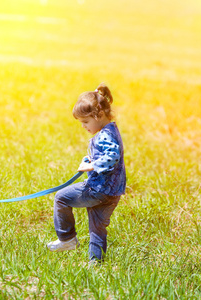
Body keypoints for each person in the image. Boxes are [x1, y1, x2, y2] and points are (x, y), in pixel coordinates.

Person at [47, 83, 126, 264]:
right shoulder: (111, 130)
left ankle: (67, 239)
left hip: (98, 189)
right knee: (97, 228)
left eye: (85, 122)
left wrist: (91, 167)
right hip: (112, 193)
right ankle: (95, 264)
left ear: (98, 115)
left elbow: (112, 156)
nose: (83, 126)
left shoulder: (105, 134)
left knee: (61, 198)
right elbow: (109, 155)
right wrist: (91, 160)